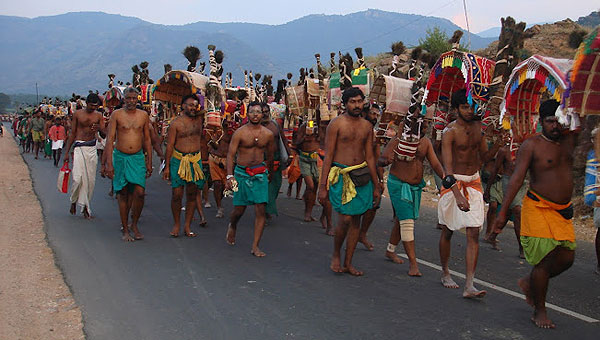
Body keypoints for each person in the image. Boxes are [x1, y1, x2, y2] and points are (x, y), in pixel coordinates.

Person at [490, 100, 578, 328]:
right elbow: (517, 178)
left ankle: (531, 282)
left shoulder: (569, 141)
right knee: (545, 258)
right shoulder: (532, 145)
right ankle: (540, 310)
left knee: (567, 258)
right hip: (537, 208)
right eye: (550, 121)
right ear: (540, 122)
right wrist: (502, 213)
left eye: (559, 121)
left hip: (561, 212)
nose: (555, 126)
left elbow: (585, 127)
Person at [438, 89, 503, 297]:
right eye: (464, 107)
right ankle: (445, 272)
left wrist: (499, 144)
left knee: (473, 232)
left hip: (473, 182)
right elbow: (447, 171)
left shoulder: (478, 127)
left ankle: (469, 285)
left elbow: (484, 157)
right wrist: (457, 195)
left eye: (471, 106)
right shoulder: (449, 132)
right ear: (456, 109)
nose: (468, 110)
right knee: (448, 230)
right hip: (453, 184)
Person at [318, 87, 381, 276]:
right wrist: (323, 186)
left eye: (359, 101)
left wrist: (377, 185)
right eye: (352, 102)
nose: (357, 105)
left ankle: (348, 262)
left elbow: (370, 157)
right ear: (345, 104)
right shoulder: (336, 124)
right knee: (344, 219)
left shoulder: (367, 127)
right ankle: (336, 254)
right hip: (341, 175)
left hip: (362, 176)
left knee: (356, 220)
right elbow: (328, 156)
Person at [379, 120, 445, 276]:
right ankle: (413, 264)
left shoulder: (425, 142)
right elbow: (382, 159)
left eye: (428, 124)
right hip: (398, 186)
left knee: (402, 219)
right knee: (407, 222)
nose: (427, 127)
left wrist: (447, 179)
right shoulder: (398, 140)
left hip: (415, 187)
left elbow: (435, 164)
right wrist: (386, 160)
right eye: (424, 124)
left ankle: (390, 250)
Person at [225, 101, 275, 256]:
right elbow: (231, 155)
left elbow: (270, 156)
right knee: (239, 209)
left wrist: (270, 173)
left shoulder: (268, 134)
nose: (255, 114)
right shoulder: (240, 133)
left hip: (259, 174)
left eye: (258, 112)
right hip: (241, 174)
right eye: (252, 111)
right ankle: (233, 225)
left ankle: (255, 246)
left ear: (263, 114)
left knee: (260, 208)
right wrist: (229, 175)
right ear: (247, 114)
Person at [104, 88, 152, 242]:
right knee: (123, 193)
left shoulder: (143, 115)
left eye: (134, 98)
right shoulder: (116, 115)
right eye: (128, 98)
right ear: (123, 99)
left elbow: (147, 140)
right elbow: (110, 140)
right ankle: (125, 229)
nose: (131, 101)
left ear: (138, 99)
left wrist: (149, 161)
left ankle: (134, 224)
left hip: (137, 158)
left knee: (139, 192)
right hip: (120, 157)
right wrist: (108, 164)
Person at [163, 94, 206, 238]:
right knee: (177, 194)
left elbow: (210, 109)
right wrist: (167, 166)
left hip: (195, 160)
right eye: (189, 105)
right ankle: (177, 224)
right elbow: (169, 145)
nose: (192, 107)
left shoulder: (200, 120)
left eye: (195, 105)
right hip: (178, 160)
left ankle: (187, 225)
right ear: (182, 106)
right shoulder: (176, 123)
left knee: (192, 193)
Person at [63, 94, 105, 219]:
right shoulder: (78, 114)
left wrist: (99, 128)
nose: (93, 107)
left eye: (96, 106)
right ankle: (74, 201)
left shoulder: (98, 115)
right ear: (86, 103)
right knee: (78, 178)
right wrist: (66, 152)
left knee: (90, 180)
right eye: (91, 105)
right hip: (79, 147)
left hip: (91, 148)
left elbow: (105, 132)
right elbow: (73, 133)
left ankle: (86, 207)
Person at [484, 143, 527, 258]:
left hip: (523, 182)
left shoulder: (529, 148)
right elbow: (495, 170)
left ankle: (493, 235)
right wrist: (487, 189)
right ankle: (521, 247)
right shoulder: (504, 150)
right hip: (509, 182)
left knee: (508, 212)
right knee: (517, 211)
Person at [356, 103, 385, 250]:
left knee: (373, 206)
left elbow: (377, 157)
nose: (375, 117)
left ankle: (362, 234)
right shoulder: (355, 129)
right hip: (354, 173)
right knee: (354, 209)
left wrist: (380, 180)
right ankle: (352, 235)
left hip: (370, 174)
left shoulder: (375, 134)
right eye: (372, 113)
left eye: (377, 115)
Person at [261, 102, 291, 219]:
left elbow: (283, 139)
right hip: (262, 160)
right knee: (265, 185)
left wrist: (289, 154)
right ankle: (264, 210)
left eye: (266, 112)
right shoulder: (255, 126)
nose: (264, 114)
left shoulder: (275, 125)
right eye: (261, 112)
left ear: (269, 112)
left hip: (276, 159)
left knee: (276, 184)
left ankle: (267, 207)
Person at [295, 117, 322, 223]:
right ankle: (307, 213)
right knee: (310, 186)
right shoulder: (303, 127)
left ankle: (309, 212)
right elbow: (297, 141)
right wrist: (305, 137)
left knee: (314, 187)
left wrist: (318, 134)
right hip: (304, 159)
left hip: (317, 159)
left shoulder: (321, 128)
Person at [208, 127, 231, 218]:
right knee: (217, 184)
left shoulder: (236, 131)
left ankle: (219, 201)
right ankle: (219, 207)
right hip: (215, 159)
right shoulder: (217, 131)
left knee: (225, 186)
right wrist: (214, 142)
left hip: (228, 161)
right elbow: (211, 145)